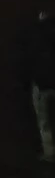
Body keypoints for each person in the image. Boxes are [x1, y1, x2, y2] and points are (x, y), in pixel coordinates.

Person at [28, 10, 55, 162]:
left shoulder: (35, 37)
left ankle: (50, 152)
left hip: (41, 84)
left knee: (44, 121)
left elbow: (32, 60)